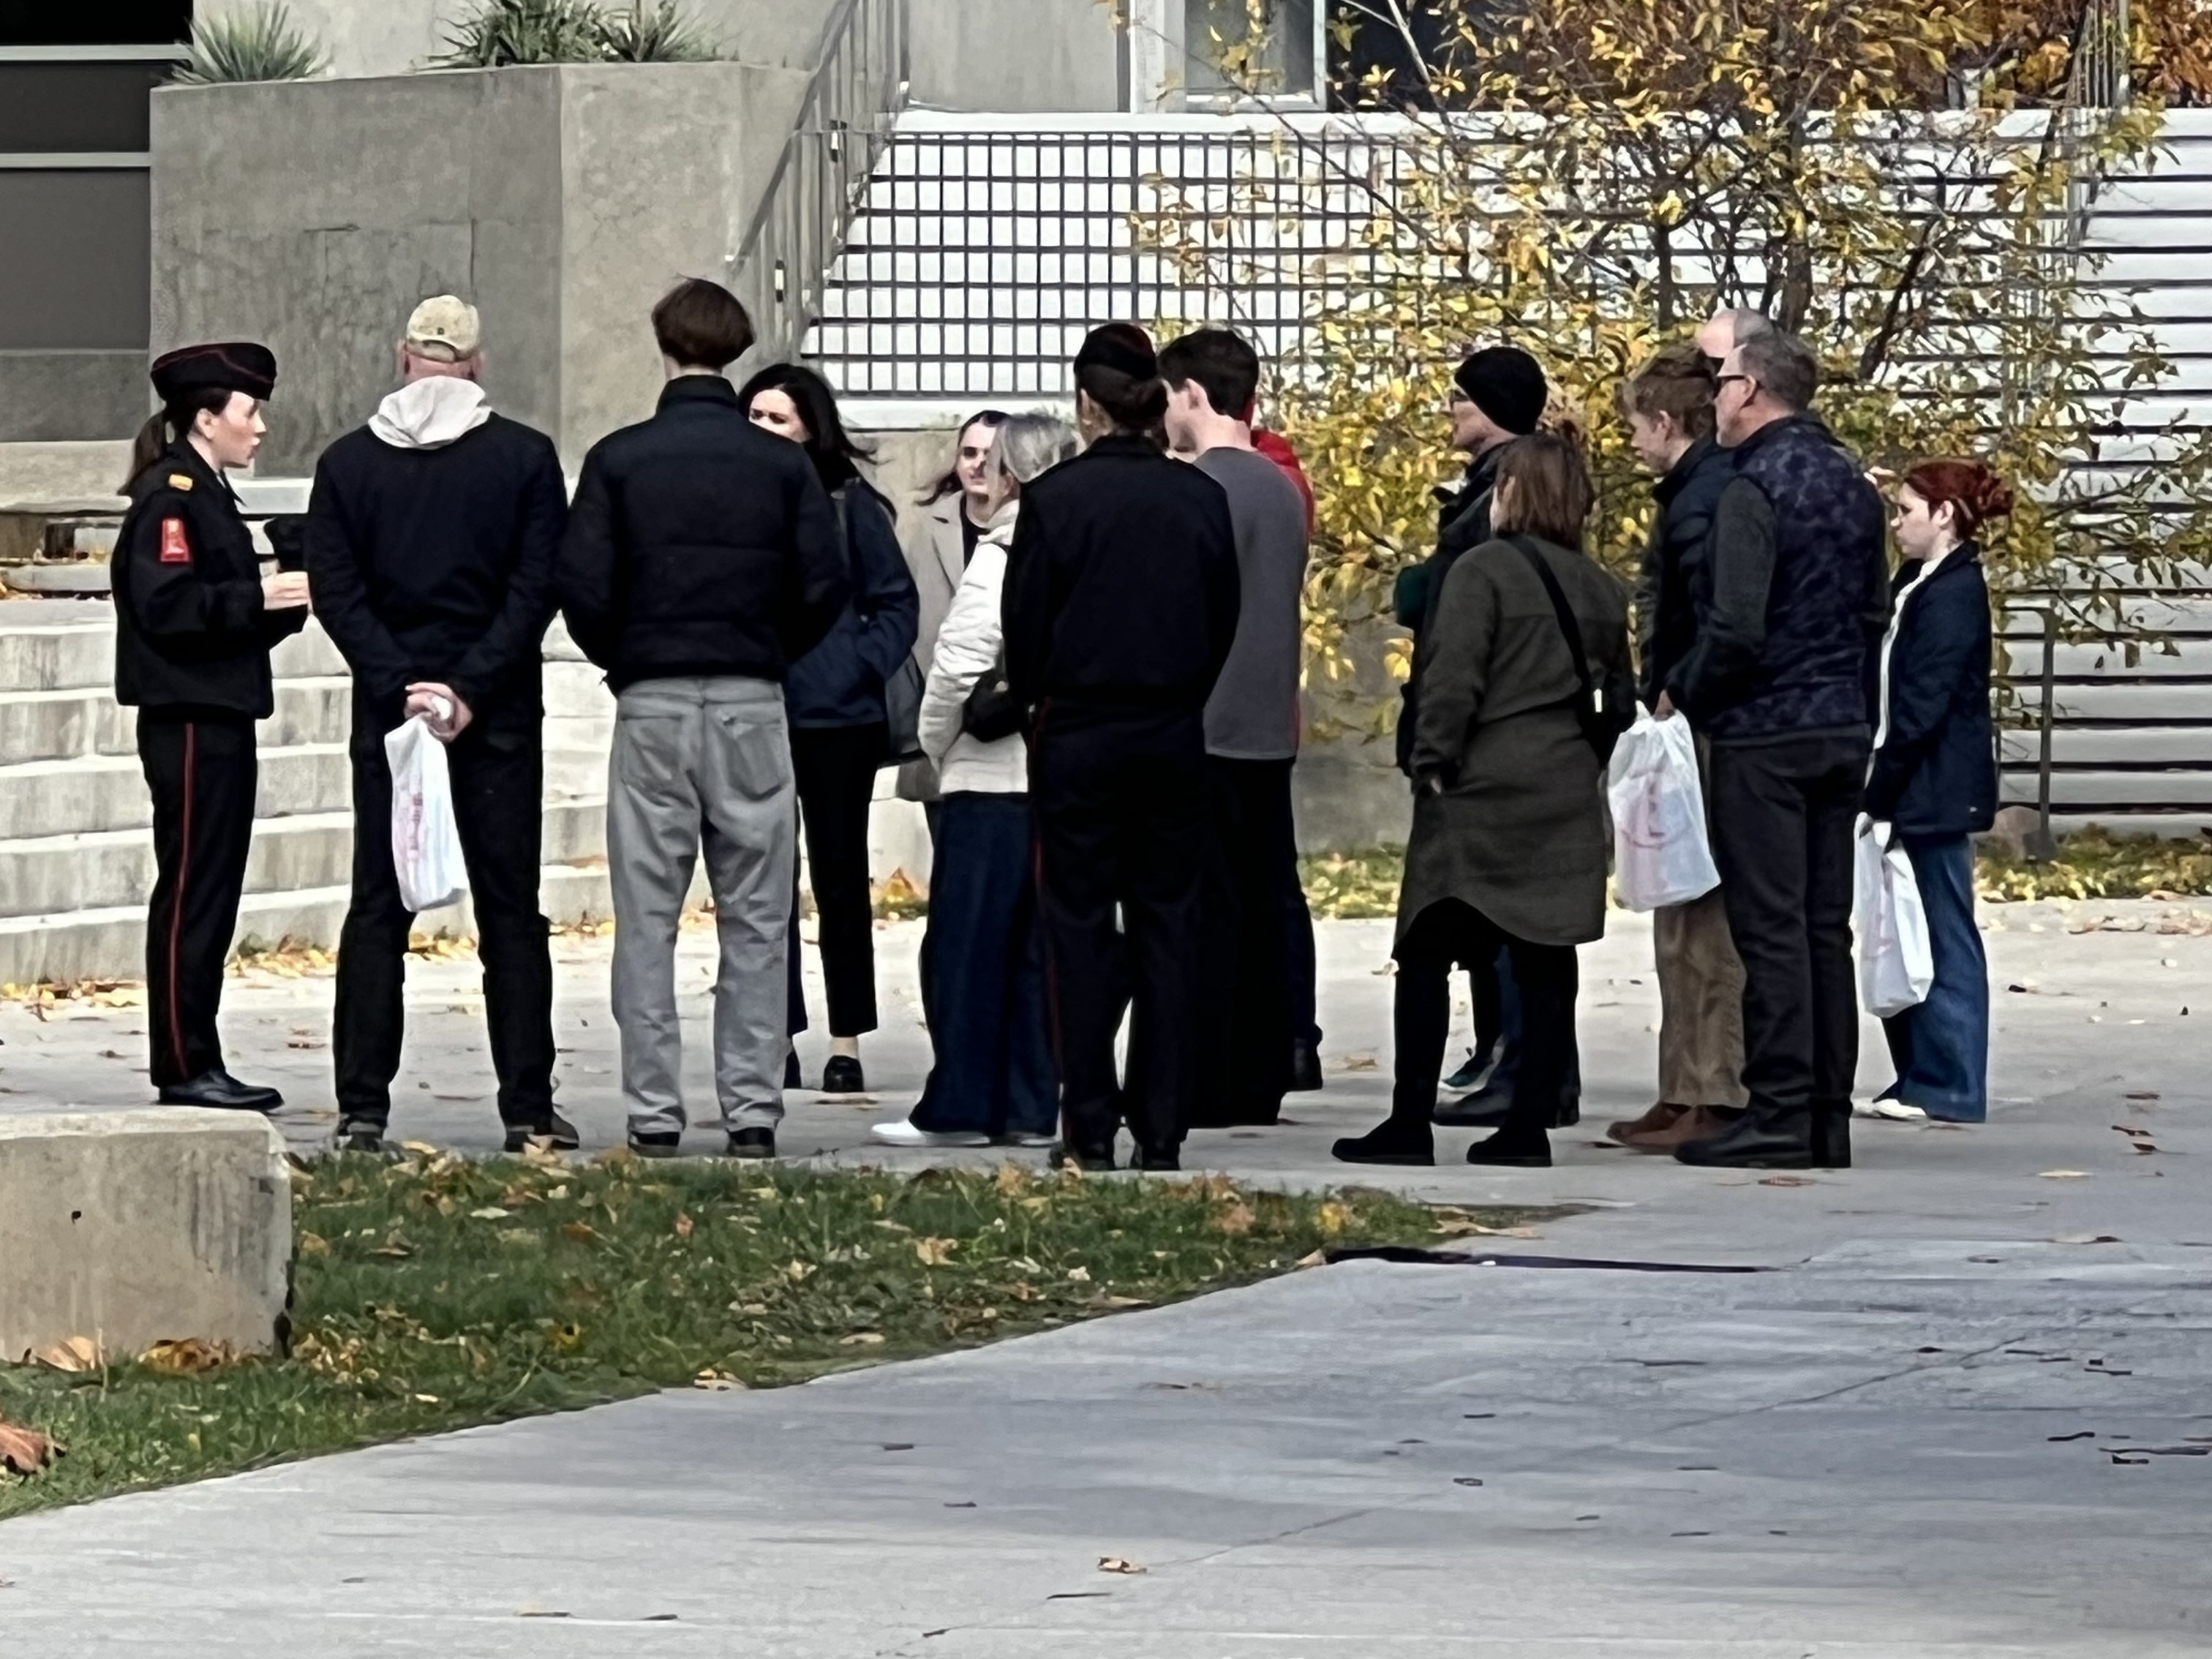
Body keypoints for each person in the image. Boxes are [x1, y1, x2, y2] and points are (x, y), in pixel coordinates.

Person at [557, 279, 846, 1159]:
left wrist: (628, 655)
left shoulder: (619, 459)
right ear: (737, 347)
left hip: (651, 697)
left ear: (664, 343)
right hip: (752, 697)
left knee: (646, 916)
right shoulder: (781, 464)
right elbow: (824, 586)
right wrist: (768, 646)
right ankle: (752, 1106)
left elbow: (584, 589)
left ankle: (654, 1108)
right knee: (758, 914)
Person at [306, 297, 570, 1155]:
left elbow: (337, 592)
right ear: (478, 364)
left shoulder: (348, 465)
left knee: (378, 910)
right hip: (492, 719)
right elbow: (534, 591)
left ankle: (362, 1105)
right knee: (511, 913)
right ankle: (527, 1106)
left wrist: (401, 686)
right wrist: (466, 690)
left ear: (401, 356)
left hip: (391, 718)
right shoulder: (526, 459)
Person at [1334, 434, 1632, 1168]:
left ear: (1511, 493)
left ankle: (1409, 1123)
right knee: (1545, 960)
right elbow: (1618, 698)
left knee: (1428, 950)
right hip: (1562, 789)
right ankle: (1528, 1126)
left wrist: (1431, 763)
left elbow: (1452, 679)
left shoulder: (1482, 572)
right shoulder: (1600, 586)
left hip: (1479, 790)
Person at [1002, 323, 1240, 1171]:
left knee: (1075, 928)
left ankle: (1089, 1121)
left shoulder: (1056, 499)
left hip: (1079, 727)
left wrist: (1041, 697)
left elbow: (1022, 628)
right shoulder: (1199, 498)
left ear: (1086, 405)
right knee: (1169, 925)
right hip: (1172, 728)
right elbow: (1223, 621)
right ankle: (1164, 1123)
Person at [1660, 328, 1891, 1170]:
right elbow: (1872, 613)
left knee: (1772, 930)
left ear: (1751, 389)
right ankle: (1827, 1113)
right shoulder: (1852, 485)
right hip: (1840, 725)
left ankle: (1781, 1108)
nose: (1713, 398)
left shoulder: (1752, 490)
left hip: (1766, 730)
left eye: (1720, 383)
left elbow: (1736, 627)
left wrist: (1686, 689)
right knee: (1824, 927)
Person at [112, 342, 312, 1112]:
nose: (259, 427)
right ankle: (184, 1059)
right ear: (205, 418)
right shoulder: (174, 496)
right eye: (247, 411)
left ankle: (198, 1052)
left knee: (213, 889)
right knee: (194, 887)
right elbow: (167, 607)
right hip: (190, 718)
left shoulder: (210, 494)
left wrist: (280, 605)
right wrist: (255, 600)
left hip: (220, 710)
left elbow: (223, 617)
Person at [873, 415, 1077, 1149]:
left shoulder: (1005, 550)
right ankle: (1027, 1105)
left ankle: (960, 1102)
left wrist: (939, 746)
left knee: (966, 948)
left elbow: (957, 667)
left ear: (1015, 475)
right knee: (1033, 953)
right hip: (1056, 775)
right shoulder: (1082, 542)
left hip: (988, 779)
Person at [738, 364, 920, 1096]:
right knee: (763, 884)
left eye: (778, 419)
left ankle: (845, 1039)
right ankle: (773, 1033)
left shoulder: (849, 505)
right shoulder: (734, 503)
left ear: (811, 428)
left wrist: (854, 664)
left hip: (838, 720)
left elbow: (897, 603)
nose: (765, 432)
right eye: (753, 417)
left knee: (840, 880)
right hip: (757, 712)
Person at [1159, 328, 1312, 1128]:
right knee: (1258, 905)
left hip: (1207, 722)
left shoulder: (1203, 488)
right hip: (1267, 723)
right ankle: (1262, 1067)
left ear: (1191, 393)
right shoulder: (1283, 487)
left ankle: (1204, 1074)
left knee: (1202, 913)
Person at [1394, 347, 1549, 1114]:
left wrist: (1435, 743)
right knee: (1501, 916)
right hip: (1497, 720)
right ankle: (1513, 1060)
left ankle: (1518, 1066)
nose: (1451, 411)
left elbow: (1454, 595)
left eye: (1461, 399)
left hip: (1482, 724)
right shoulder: (1505, 480)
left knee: (1486, 910)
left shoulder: (1506, 488)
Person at [1608, 341, 1750, 1152]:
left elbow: (1702, 612)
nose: (1631, 442)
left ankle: (1711, 1085)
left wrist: (1674, 686)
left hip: (1698, 721)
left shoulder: (1703, 499)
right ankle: (1683, 1083)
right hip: (1686, 717)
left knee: (1702, 918)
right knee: (1679, 910)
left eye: (1637, 425)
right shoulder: (1695, 492)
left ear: (1666, 421)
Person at [1865, 460, 2007, 1124]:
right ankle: (1917, 1073)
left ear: (1944, 514)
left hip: (1932, 785)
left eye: (1905, 512)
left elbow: (1923, 702)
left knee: (1942, 929)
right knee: (1904, 926)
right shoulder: (1917, 582)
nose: (1898, 524)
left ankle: (1949, 1082)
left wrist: (1882, 786)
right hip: (1909, 778)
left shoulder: (1953, 592)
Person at [898, 410, 1012, 815]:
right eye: (969, 452)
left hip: (1010, 715)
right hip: (943, 708)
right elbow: (922, 626)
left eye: (991, 454)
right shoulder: (931, 525)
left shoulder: (1032, 523)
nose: (978, 464)